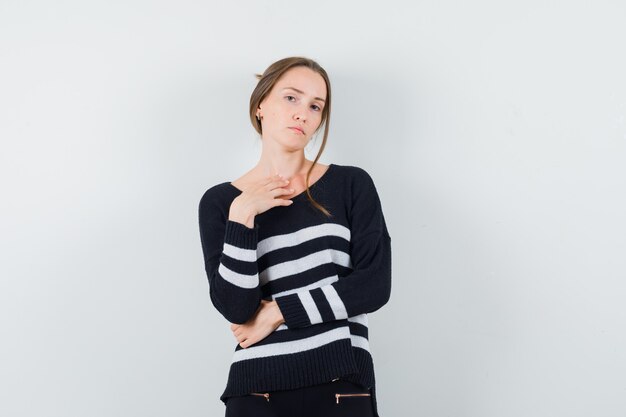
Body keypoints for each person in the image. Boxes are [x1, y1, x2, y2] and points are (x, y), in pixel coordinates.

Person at [198, 56, 392, 417]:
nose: (303, 112)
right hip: (256, 389)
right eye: (291, 97)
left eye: (315, 106)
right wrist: (242, 216)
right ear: (260, 105)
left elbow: (374, 286)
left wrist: (278, 312)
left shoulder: (351, 185)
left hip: (341, 383)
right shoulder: (221, 202)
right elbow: (235, 308)